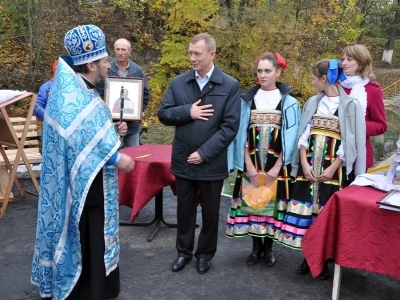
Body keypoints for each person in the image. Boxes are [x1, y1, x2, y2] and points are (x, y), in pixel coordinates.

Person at [31, 24, 135, 300]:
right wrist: (116, 156)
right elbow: (82, 145)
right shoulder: (74, 99)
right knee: (88, 241)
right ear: (90, 65)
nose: (108, 66)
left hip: (85, 187)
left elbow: (89, 134)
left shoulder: (78, 90)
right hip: (84, 193)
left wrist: (114, 133)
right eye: (103, 62)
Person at [158, 33, 241, 274]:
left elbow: (230, 127)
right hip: (184, 160)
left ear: (212, 54)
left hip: (211, 163)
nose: (192, 58)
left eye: (197, 54)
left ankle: (205, 254)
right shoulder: (178, 83)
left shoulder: (229, 85)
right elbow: (164, 114)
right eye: (190, 53)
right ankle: (183, 252)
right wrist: (188, 111)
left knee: (210, 212)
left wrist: (204, 153)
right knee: (184, 210)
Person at [280, 59, 366, 280]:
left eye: (313, 78)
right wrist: (304, 162)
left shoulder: (350, 105)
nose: (311, 82)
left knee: (325, 215)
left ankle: (324, 259)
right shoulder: (313, 102)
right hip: (309, 167)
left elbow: (351, 142)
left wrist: (334, 168)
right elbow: (303, 134)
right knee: (308, 211)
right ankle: (308, 257)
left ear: (324, 78)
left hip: (332, 171)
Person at [226, 52, 301, 267]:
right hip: (252, 163)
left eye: (267, 71)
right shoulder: (246, 101)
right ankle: (255, 247)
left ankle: (268, 249)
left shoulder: (289, 103)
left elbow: (293, 137)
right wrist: (247, 164)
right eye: (259, 71)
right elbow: (240, 134)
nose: (263, 75)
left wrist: (279, 166)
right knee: (254, 204)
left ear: (278, 72)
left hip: (275, 164)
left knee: (272, 207)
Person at [339, 44, 387, 169]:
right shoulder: (334, 86)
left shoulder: (372, 90)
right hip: (330, 150)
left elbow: (381, 125)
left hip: (359, 154)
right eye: (342, 59)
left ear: (361, 63)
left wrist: (354, 125)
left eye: (349, 59)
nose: (344, 63)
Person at [108, 38, 150, 147]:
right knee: (110, 157)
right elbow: (99, 92)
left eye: (123, 49)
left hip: (132, 125)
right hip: (110, 124)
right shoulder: (106, 68)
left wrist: (140, 110)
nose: (120, 52)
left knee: (134, 155)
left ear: (129, 51)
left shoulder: (138, 70)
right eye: (117, 49)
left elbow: (145, 94)